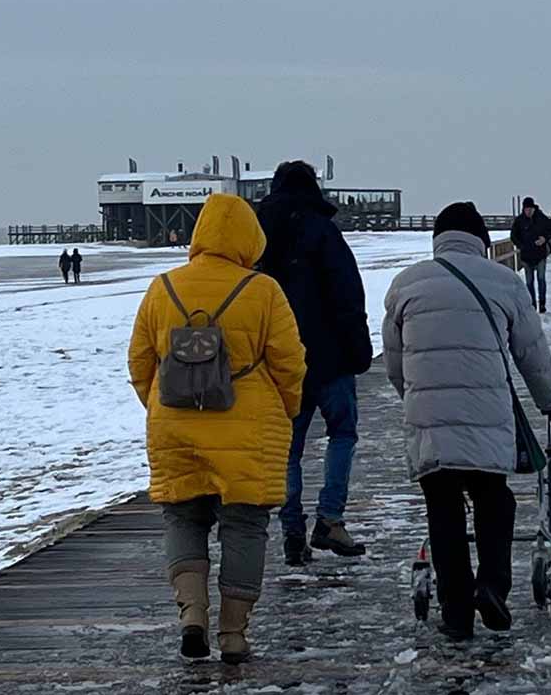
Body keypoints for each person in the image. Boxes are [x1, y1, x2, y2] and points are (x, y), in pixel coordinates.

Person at [127, 193, 306, 664]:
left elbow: (140, 362)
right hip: (248, 428)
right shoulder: (264, 290)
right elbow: (290, 363)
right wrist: (285, 410)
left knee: (183, 517)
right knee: (245, 524)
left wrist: (161, 405)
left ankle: (192, 615)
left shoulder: (162, 287)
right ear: (250, 238)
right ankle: (233, 635)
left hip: (174, 424)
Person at [383, 202, 551, 640]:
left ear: (438, 240)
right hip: (487, 417)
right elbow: (531, 354)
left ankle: (457, 612)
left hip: (428, 418)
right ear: (481, 241)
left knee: (443, 511)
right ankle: (493, 587)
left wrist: (415, 399)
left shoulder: (405, 285)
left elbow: (394, 362)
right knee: (494, 502)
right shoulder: (504, 282)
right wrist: (550, 402)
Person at [257, 160, 373, 565]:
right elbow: (347, 295)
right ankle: (330, 519)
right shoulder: (325, 232)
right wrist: (359, 350)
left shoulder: (259, 235)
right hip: (330, 358)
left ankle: (291, 528)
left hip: (278, 360)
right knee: (342, 433)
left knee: (289, 449)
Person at [510, 196, 551, 313]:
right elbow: (513, 236)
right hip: (526, 255)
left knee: (541, 279)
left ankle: (542, 303)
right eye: (526, 209)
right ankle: (532, 304)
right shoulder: (519, 221)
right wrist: (521, 246)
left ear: (534, 208)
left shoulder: (541, 218)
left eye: (530, 209)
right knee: (529, 282)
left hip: (540, 255)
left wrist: (545, 238)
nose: (528, 211)